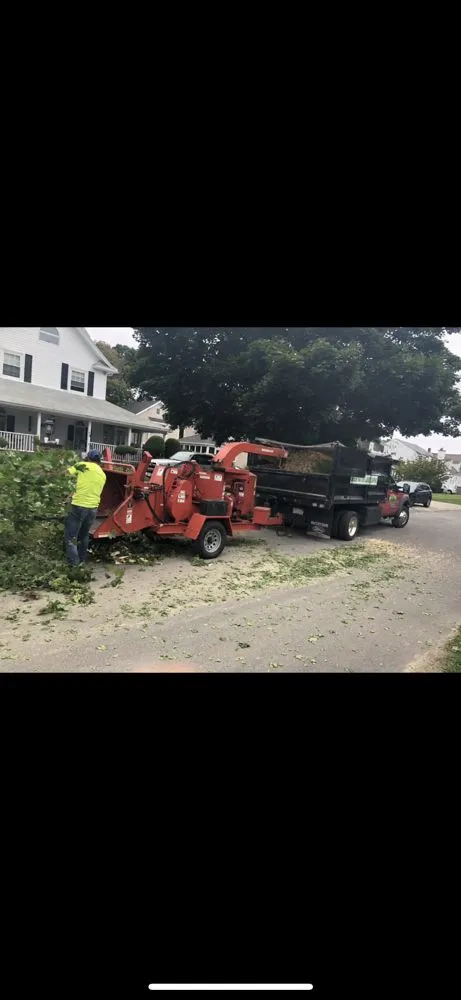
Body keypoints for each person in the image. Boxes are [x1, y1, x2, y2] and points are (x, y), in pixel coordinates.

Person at [65, 450, 107, 567]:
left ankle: (74, 566)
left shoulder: (82, 466)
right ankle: (82, 563)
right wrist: (70, 495)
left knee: (71, 538)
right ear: (99, 461)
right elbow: (85, 487)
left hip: (78, 506)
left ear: (88, 458)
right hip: (92, 509)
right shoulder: (103, 474)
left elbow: (65, 474)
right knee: (84, 536)